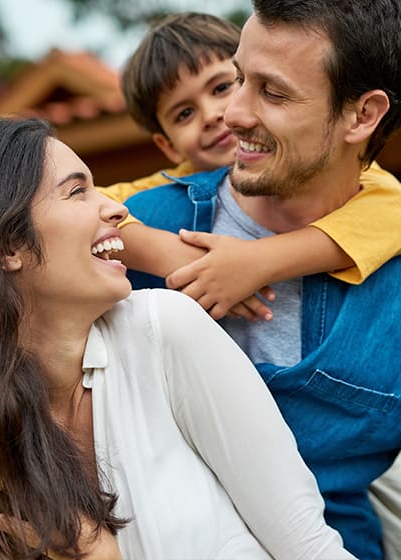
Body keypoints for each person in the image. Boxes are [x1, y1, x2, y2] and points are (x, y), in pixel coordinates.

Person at [0, 117, 357, 560]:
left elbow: (309, 547)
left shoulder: (162, 330)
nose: (115, 208)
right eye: (77, 192)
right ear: (7, 248)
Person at [118, 2, 401, 559]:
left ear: (363, 115)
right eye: (240, 77)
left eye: (272, 92)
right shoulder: (131, 224)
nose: (230, 114)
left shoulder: (390, 244)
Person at [99, 12, 401, 322]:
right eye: (184, 114)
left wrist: (258, 261)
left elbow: (394, 215)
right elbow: (79, 207)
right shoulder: (169, 191)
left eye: (221, 88)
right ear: (168, 146)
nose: (217, 115)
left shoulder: (359, 175)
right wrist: (177, 256)